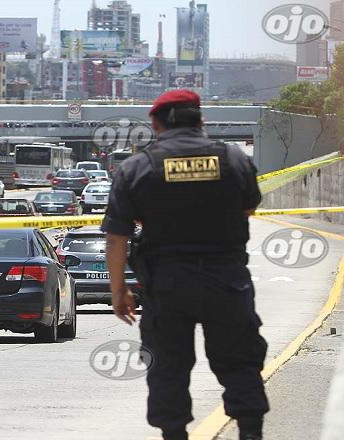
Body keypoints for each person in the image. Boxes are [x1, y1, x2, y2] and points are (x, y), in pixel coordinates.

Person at [101, 89, 269, 440]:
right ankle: (251, 433)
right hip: (227, 280)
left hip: (166, 284)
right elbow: (249, 208)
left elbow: (117, 237)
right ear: (200, 120)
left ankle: (174, 433)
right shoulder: (233, 158)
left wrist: (119, 291)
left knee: (167, 366)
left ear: (155, 125)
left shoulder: (138, 167)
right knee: (240, 360)